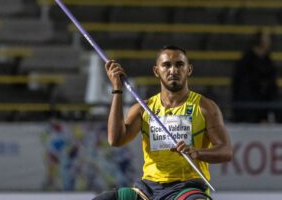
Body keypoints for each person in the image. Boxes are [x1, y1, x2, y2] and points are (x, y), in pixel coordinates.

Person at [93, 46, 233, 200]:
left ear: (189, 69)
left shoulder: (205, 107)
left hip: (186, 188)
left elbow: (226, 151)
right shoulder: (143, 108)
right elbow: (116, 140)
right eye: (166, 65)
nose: (173, 70)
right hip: (148, 190)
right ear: (156, 71)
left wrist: (197, 152)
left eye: (179, 64)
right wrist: (117, 90)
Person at [232, 30, 279, 123]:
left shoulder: (268, 61)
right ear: (260, 41)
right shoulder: (246, 61)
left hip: (264, 109)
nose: (269, 41)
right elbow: (242, 88)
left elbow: (271, 87)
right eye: (267, 38)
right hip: (248, 111)